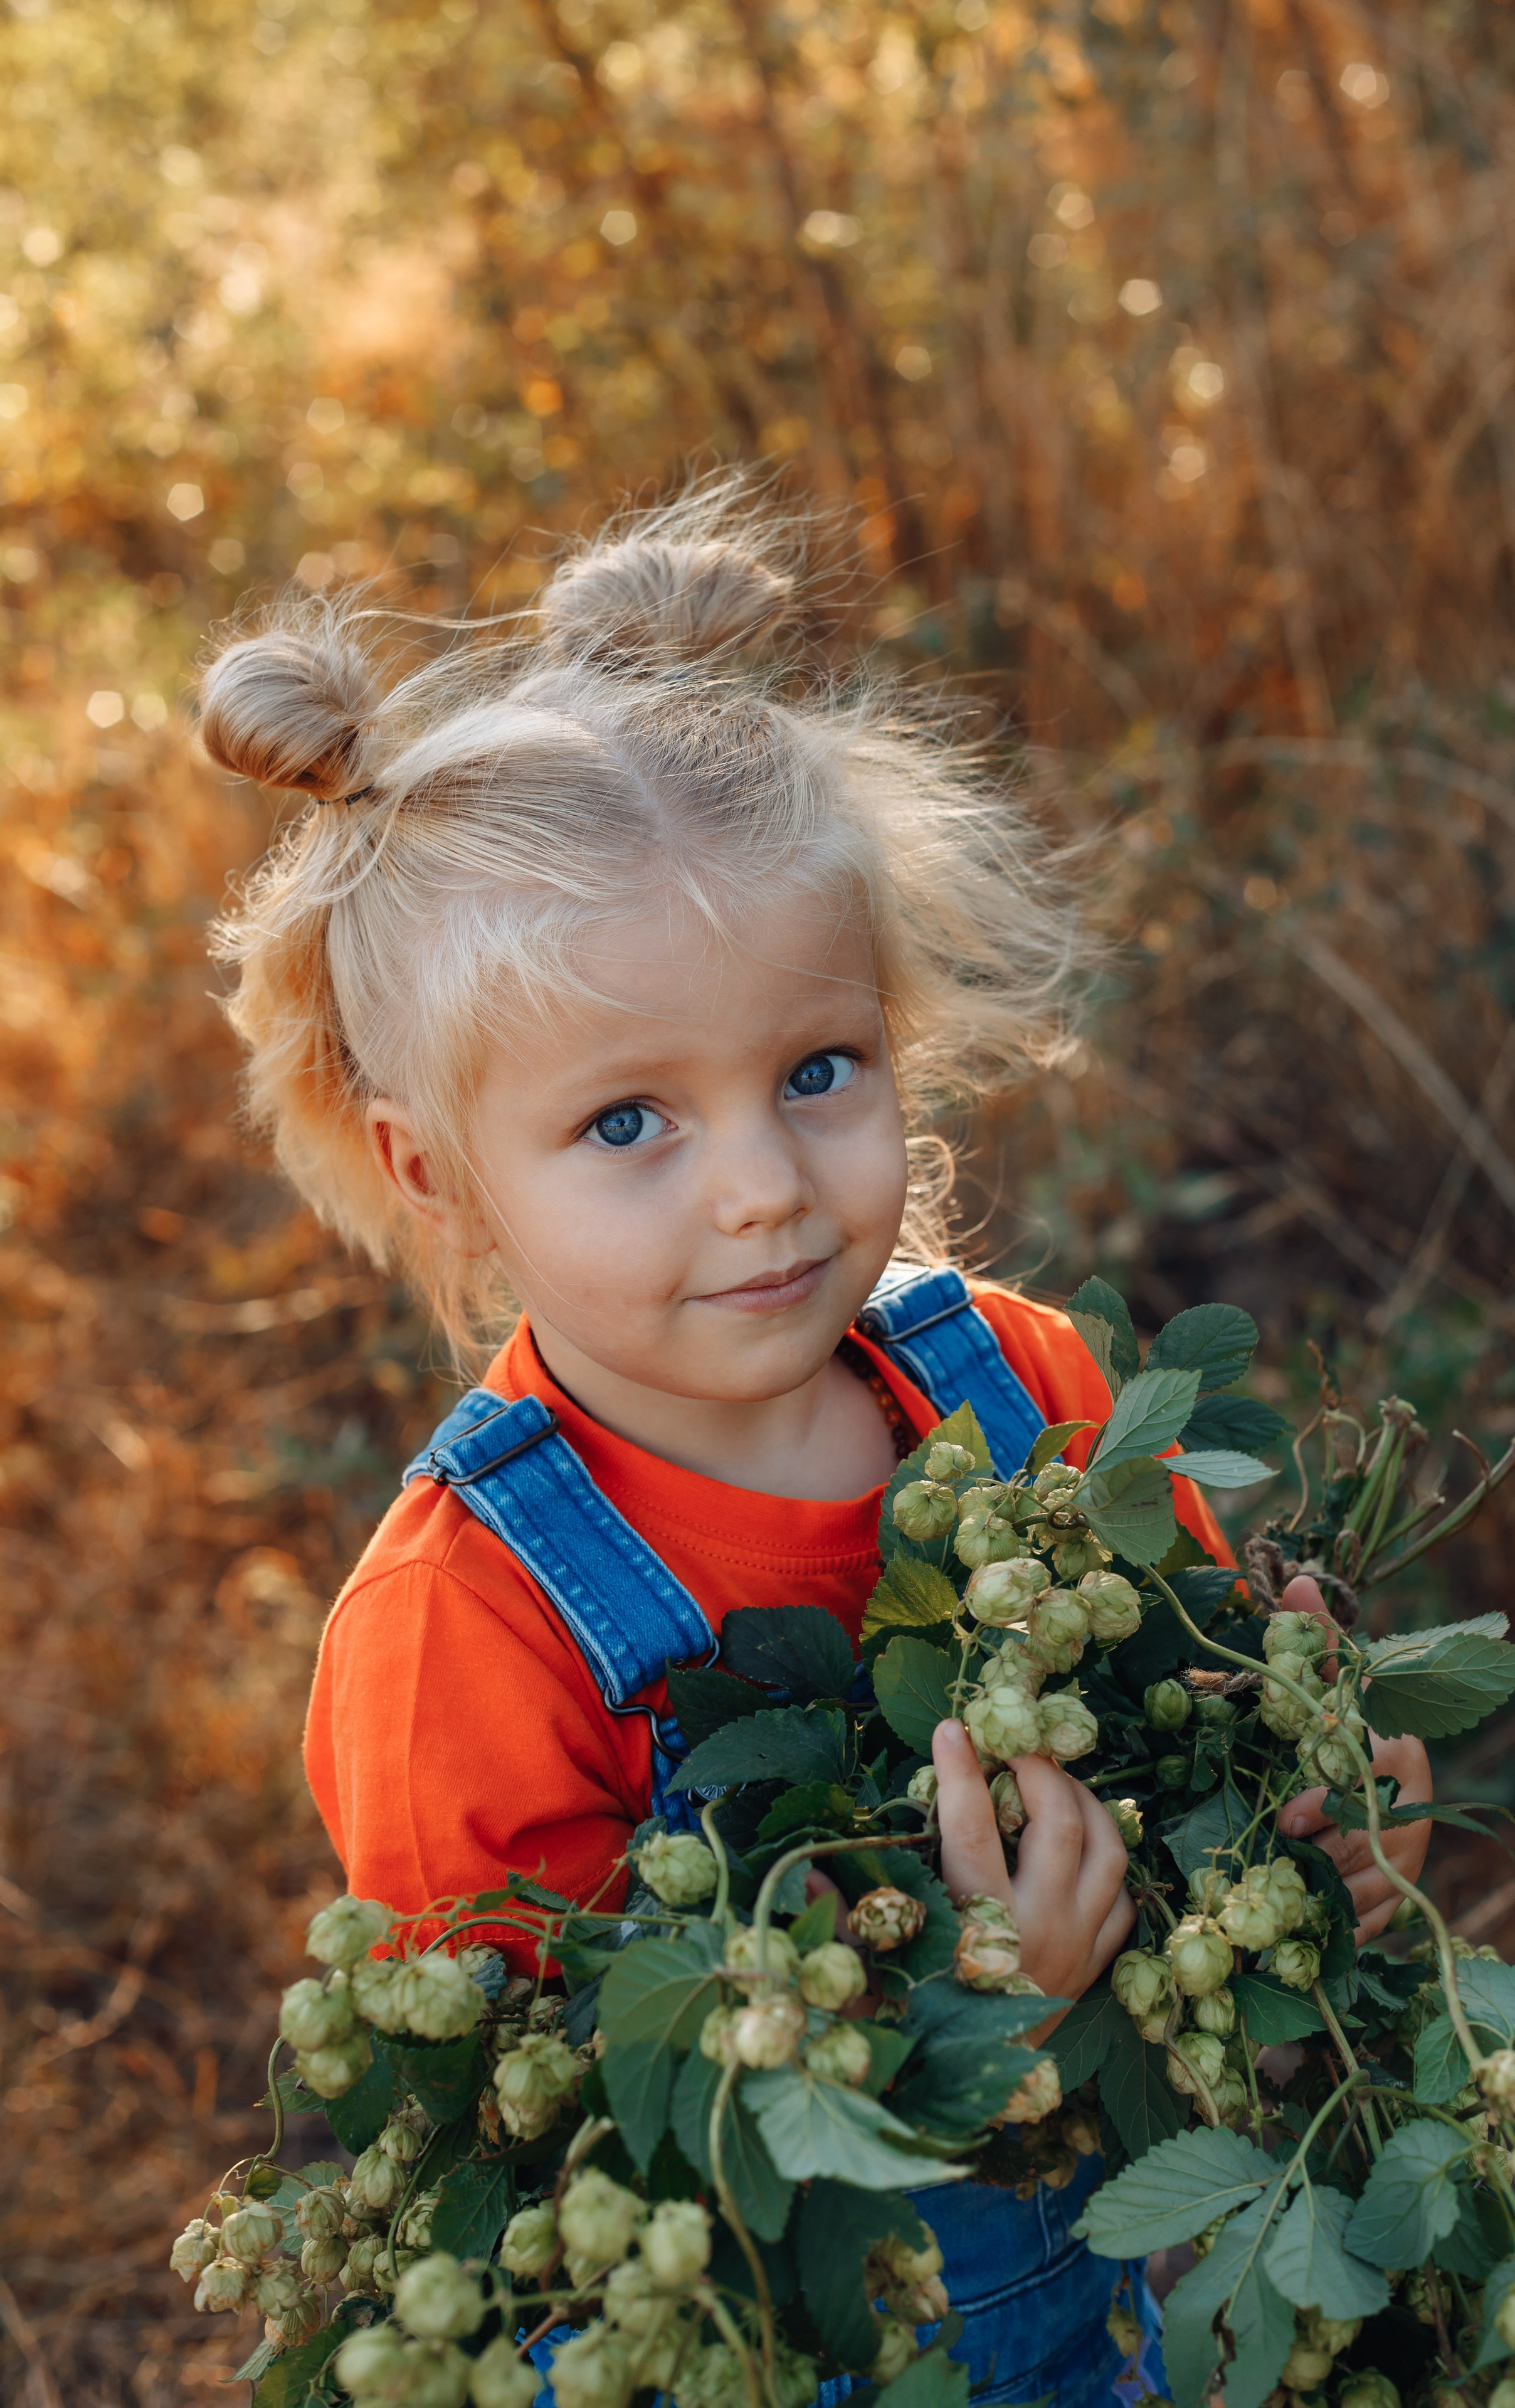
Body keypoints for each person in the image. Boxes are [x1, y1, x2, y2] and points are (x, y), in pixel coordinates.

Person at [196, 475, 1431, 2407]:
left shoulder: (1027, 1401)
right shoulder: (473, 1625)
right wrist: (943, 2002)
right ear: (435, 1178)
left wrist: (1318, 1829)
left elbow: (1208, 1744)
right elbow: (534, 2142)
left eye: (817, 1070)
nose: (766, 1187)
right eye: (630, 1124)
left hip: (1120, 2315)